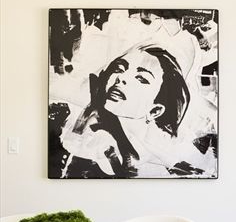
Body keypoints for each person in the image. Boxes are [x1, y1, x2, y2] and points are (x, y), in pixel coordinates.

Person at [58, 45, 190, 178]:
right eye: (119, 69)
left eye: (141, 78)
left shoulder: (152, 165)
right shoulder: (82, 127)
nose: (121, 78)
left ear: (155, 111)